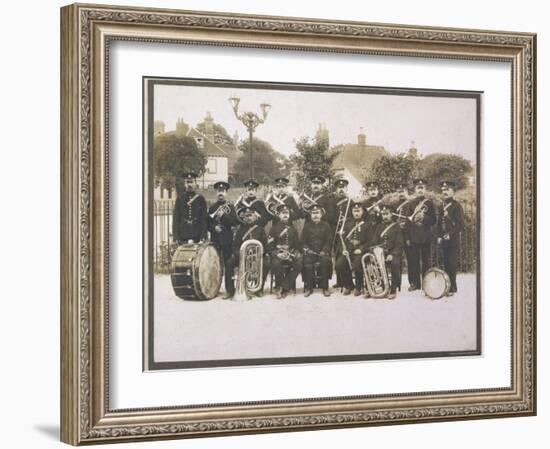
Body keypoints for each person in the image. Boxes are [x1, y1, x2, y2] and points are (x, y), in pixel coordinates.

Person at [225, 207, 270, 298]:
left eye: (251, 215)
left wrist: (261, 254)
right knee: (229, 263)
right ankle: (230, 291)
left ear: (255, 217)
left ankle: (259, 289)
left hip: (257, 257)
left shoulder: (260, 229)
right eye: (247, 216)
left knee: (266, 263)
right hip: (242, 256)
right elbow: (235, 246)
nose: (249, 218)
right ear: (244, 218)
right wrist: (241, 254)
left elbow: (265, 245)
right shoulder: (240, 230)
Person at [208, 181, 238, 299]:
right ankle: (212, 289)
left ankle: (229, 290)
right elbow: (208, 223)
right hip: (215, 238)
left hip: (227, 239)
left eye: (223, 191)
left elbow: (234, 222)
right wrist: (214, 228)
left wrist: (223, 216)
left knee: (228, 265)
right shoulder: (212, 207)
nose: (221, 193)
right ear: (216, 192)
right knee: (214, 264)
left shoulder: (230, 207)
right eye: (219, 191)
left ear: (226, 193)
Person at [435, 180, 465, 296]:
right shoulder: (441, 206)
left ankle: (453, 287)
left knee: (452, 264)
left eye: (447, 190)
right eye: (443, 190)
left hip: (453, 241)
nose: (445, 192)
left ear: (453, 191)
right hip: (443, 240)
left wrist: (450, 234)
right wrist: (438, 236)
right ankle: (447, 286)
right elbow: (439, 224)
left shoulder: (457, 206)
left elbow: (461, 225)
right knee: (446, 263)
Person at [406, 178, 436, 291]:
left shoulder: (429, 203)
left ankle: (425, 282)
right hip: (413, 236)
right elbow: (408, 222)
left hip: (425, 237)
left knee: (426, 261)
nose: (420, 190)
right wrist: (408, 238)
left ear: (425, 189)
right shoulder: (411, 203)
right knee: (413, 261)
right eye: (418, 188)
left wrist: (424, 217)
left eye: (422, 188)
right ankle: (415, 283)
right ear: (414, 189)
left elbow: (434, 220)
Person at [267, 204, 303, 299]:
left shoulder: (293, 229)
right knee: (276, 264)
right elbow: (269, 245)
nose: (285, 215)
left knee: (299, 264)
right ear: (279, 215)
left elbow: (297, 244)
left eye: (287, 213)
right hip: (278, 254)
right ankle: (279, 287)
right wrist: (277, 254)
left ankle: (284, 287)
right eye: (283, 213)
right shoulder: (274, 228)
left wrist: (297, 252)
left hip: (289, 254)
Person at [334, 202, 369, 296]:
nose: (356, 213)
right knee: (339, 265)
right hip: (348, 252)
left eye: (358, 211)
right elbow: (341, 240)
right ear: (352, 212)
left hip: (360, 252)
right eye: (354, 211)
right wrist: (343, 250)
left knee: (357, 264)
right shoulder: (347, 224)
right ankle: (348, 285)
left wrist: (361, 249)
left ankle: (358, 286)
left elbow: (370, 241)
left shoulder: (367, 225)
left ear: (362, 212)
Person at [371, 204, 404, 299]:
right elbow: (374, 242)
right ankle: (380, 287)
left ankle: (393, 289)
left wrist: (393, 254)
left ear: (391, 215)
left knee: (394, 263)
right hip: (381, 253)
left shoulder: (396, 227)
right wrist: (373, 250)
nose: (384, 216)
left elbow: (399, 244)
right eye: (383, 214)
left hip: (393, 253)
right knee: (370, 262)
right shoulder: (379, 227)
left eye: (387, 214)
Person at [301, 205, 333, 297]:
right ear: (310, 215)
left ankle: (325, 288)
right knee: (307, 263)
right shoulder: (307, 226)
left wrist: (324, 250)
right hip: (311, 253)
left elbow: (329, 241)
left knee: (325, 261)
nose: (315, 215)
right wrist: (307, 250)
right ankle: (309, 288)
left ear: (321, 214)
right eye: (313, 213)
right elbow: (303, 242)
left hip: (322, 253)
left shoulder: (326, 225)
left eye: (317, 213)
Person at [172, 172, 208, 244]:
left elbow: (203, 219)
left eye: (191, 182)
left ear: (195, 183)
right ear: (185, 184)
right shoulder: (180, 199)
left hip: (197, 234)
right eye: (187, 182)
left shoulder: (200, 199)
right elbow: (176, 218)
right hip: (183, 234)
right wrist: (176, 236)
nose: (189, 184)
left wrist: (203, 236)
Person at [394, 184, 414, 292]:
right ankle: (397, 284)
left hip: (408, 235)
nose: (401, 193)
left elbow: (413, 220)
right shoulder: (394, 205)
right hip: (397, 236)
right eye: (399, 191)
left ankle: (412, 282)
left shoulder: (411, 204)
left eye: (403, 191)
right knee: (397, 259)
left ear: (406, 192)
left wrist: (406, 225)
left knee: (411, 259)